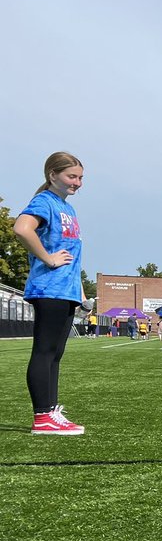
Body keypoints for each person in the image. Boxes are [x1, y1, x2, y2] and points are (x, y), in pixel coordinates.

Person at [12, 151, 89, 435]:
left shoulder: (67, 208)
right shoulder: (44, 201)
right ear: (52, 175)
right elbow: (21, 229)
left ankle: (50, 411)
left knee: (55, 353)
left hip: (66, 291)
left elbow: (73, 253)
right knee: (44, 351)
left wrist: (79, 290)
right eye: (72, 176)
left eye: (80, 178)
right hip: (49, 289)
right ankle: (42, 416)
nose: (77, 183)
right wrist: (48, 258)